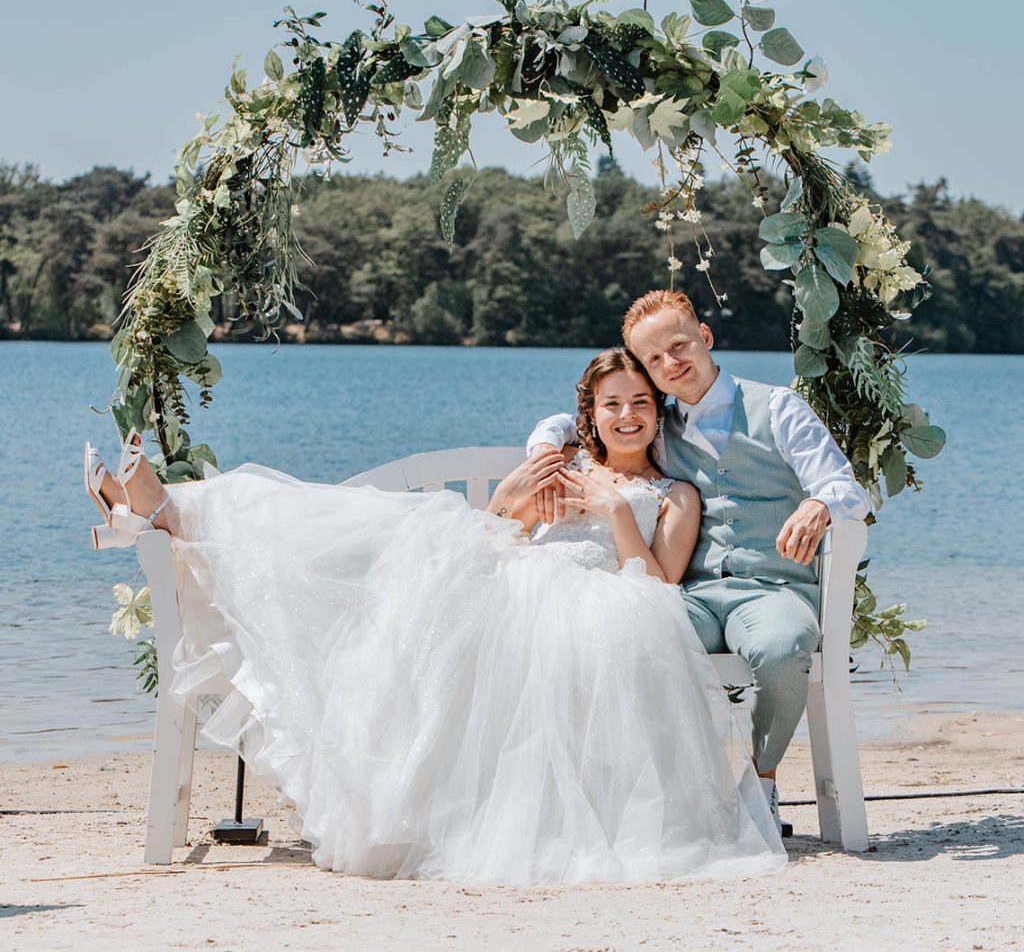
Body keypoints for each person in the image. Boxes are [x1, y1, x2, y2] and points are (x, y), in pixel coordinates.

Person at [85, 347, 786, 884]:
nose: (627, 414)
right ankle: (180, 507)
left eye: (640, 401)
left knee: (466, 601)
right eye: (611, 403)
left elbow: (658, 581)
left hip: (604, 598)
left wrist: (612, 513)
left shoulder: (675, 494)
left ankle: (160, 511)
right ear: (590, 414)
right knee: (375, 537)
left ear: (658, 412)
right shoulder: (558, 466)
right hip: (517, 576)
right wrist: (511, 496)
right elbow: (502, 534)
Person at [527, 291, 871, 835]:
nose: (671, 363)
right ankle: (656, 795)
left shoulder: (777, 407)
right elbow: (579, 419)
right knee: (625, 633)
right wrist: (546, 442)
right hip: (692, 591)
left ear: (705, 337)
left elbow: (846, 487)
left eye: (679, 345)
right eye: (654, 359)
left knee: (781, 649)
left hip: (772, 588)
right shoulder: (659, 423)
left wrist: (817, 503)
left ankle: (761, 785)